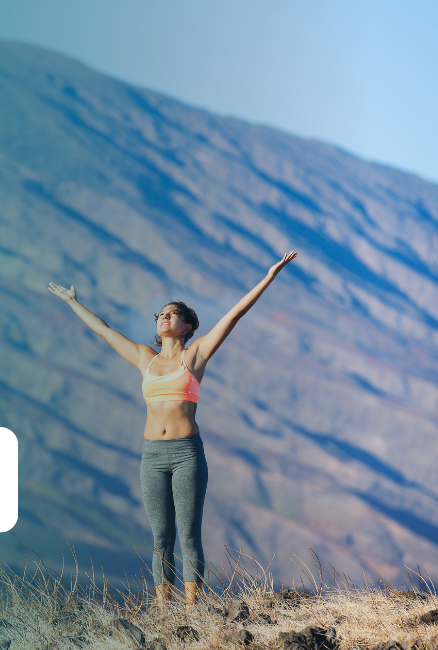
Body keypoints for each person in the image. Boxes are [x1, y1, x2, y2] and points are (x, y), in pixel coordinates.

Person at [48, 251, 297, 608]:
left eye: (171, 313)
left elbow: (235, 314)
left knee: (189, 535)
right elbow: (103, 330)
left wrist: (269, 276)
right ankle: (165, 612)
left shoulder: (195, 356)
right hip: (151, 456)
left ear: (187, 326)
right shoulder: (143, 357)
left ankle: (192, 610)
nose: (163, 316)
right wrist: (74, 302)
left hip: (186, 454)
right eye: (160, 314)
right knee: (161, 537)